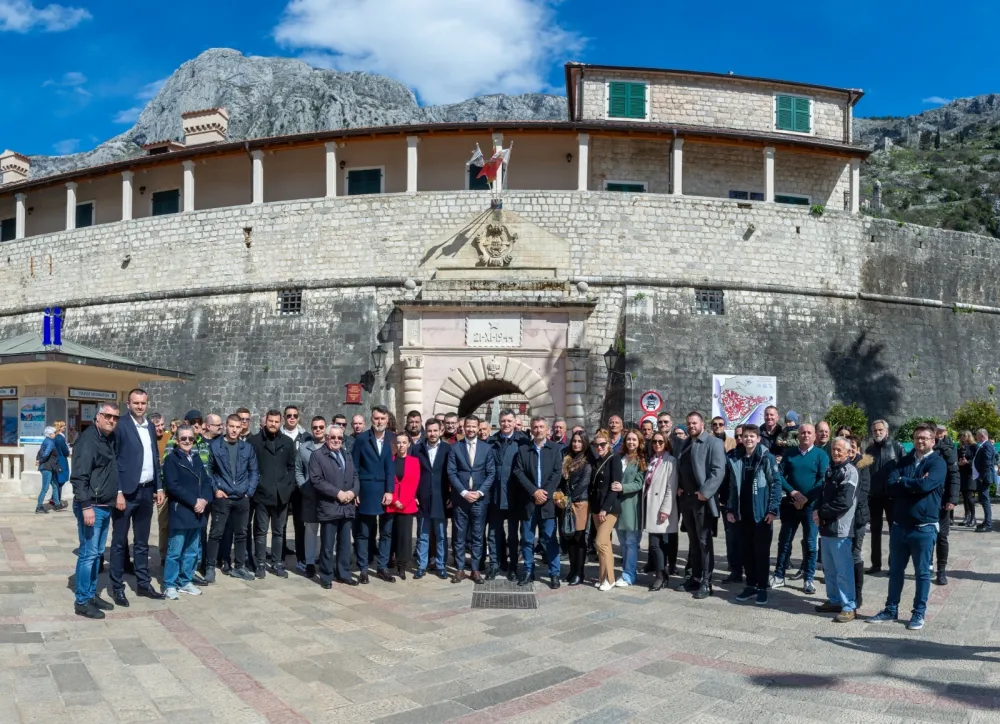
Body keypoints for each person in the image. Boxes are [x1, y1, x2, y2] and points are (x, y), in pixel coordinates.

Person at [867, 424, 946, 630]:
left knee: (922, 573)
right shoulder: (904, 461)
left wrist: (905, 482)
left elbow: (927, 486)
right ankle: (890, 609)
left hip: (924, 528)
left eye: (925, 438)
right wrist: (913, 483)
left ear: (933, 441)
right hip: (900, 526)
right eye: (917, 437)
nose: (920, 441)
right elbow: (891, 485)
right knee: (895, 571)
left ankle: (918, 613)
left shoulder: (938, 464)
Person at [110, 389, 165, 606]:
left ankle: (143, 583)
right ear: (128, 404)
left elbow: (155, 458)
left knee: (141, 542)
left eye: (143, 403)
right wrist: (118, 492)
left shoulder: (150, 426)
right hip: (126, 493)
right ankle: (117, 587)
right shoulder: (121, 425)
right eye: (136, 403)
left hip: (146, 491)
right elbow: (113, 459)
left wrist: (159, 488)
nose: (140, 406)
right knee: (119, 543)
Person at [70, 401, 121, 619]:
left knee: (97, 554)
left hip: (104, 505)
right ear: (98, 416)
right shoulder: (88, 439)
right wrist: (86, 506)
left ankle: (91, 594)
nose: (111, 420)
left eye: (115, 417)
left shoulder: (107, 439)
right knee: (88, 555)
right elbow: (79, 476)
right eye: (108, 416)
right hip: (92, 506)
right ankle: (82, 601)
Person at [725, 425, 783, 606]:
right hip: (743, 515)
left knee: (761, 553)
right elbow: (731, 487)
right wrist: (730, 509)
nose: (748, 439)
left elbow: (776, 484)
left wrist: (773, 510)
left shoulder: (766, 458)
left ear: (758, 439)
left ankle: (762, 588)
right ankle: (750, 584)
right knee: (746, 552)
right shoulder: (735, 458)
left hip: (761, 515)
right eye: (745, 436)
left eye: (752, 436)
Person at [770, 423, 829, 595]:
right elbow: (779, 474)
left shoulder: (821, 455)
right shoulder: (790, 454)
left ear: (814, 436)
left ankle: (808, 578)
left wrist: (806, 498)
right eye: (802, 432)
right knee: (785, 541)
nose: (805, 435)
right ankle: (779, 575)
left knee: (811, 543)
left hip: (811, 507)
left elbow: (822, 479)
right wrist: (793, 492)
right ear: (798, 436)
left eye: (809, 433)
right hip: (790, 504)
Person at [675, 411, 726, 600]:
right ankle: (695, 578)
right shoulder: (685, 443)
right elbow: (681, 468)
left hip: (702, 500)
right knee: (693, 542)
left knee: (704, 542)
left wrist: (705, 493)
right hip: (686, 500)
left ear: (702, 424)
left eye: (694, 423)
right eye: (688, 423)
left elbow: (718, 471)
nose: (691, 426)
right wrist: (679, 486)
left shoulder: (714, 443)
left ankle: (707, 581)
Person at [204, 414, 258, 582]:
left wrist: (249, 492)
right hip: (223, 496)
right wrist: (215, 490)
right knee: (216, 533)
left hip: (242, 497)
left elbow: (254, 472)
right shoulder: (215, 446)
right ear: (226, 426)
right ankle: (210, 566)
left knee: (241, 533)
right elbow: (208, 470)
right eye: (231, 426)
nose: (234, 430)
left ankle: (239, 566)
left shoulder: (247, 448)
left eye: (237, 427)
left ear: (241, 428)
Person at [161, 424, 213, 600]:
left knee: (192, 550)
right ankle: (169, 584)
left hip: (198, 511)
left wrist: (205, 500)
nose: (187, 441)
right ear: (177, 440)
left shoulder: (197, 458)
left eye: (190, 438)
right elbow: (173, 486)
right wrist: (194, 501)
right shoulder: (171, 460)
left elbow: (206, 481)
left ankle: (185, 581)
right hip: (181, 510)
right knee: (175, 551)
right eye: (183, 438)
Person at [511, 417, 563, 589]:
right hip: (529, 501)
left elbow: (557, 473)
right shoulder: (523, 450)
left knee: (549, 539)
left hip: (547, 502)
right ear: (531, 430)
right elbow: (518, 472)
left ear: (547, 430)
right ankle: (528, 570)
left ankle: (554, 573)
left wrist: (544, 493)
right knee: (526, 539)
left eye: (542, 427)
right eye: (536, 427)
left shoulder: (555, 449)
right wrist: (534, 491)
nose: (539, 430)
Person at [813, 437, 860, 623]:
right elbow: (822, 494)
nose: (836, 452)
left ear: (849, 452)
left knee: (843, 570)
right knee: (829, 569)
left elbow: (844, 501)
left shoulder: (850, 472)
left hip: (841, 528)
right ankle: (834, 600)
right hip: (826, 528)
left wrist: (821, 513)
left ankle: (849, 606)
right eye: (834, 449)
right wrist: (816, 510)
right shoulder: (830, 470)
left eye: (840, 450)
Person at [308, 425, 360, 588]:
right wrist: (337, 493)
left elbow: (355, 476)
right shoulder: (317, 456)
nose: (336, 440)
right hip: (329, 505)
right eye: (333, 437)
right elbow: (316, 480)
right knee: (328, 545)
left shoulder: (347, 454)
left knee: (345, 543)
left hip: (347, 506)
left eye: (339, 438)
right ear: (326, 437)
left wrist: (353, 492)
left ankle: (343, 573)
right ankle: (326, 575)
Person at [446, 415, 496, 584]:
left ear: (478, 428)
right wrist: (463, 492)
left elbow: (491, 473)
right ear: (464, 427)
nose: (471, 429)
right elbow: (451, 473)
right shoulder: (455, 448)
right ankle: (460, 568)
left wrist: (480, 492)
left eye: (474, 427)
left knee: (477, 535)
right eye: (468, 426)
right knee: (459, 535)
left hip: (480, 500)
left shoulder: (486, 448)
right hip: (461, 499)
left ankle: (475, 569)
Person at [248, 410, 297, 579]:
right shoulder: (254, 441)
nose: (273, 424)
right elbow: (250, 467)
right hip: (262, 494)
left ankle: (277, 563)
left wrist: (288, 486)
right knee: (260, 532)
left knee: (279, 532)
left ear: (280, 422)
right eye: (271, 421)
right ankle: (260, 563)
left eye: (276, 421)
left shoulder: (288, 442)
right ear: (265, 421)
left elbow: (292, 467)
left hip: (281, 495)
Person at [351, 405, 396, 583]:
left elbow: (392, 468)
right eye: (376, 418)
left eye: (383, 419)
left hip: (386, 491)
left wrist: (390, 491)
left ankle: (382, 567)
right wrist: (356, 491)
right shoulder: (362, 439)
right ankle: (363, 568)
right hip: (366, 490)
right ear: (372, 419)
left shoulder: (393, 439)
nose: (379, 422)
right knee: (363, 532)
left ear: (387, 420)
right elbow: (354, 467)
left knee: (386, 532)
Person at [485, 409, 527, 581]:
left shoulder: (522, 442)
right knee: (494, 532)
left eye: (509, 421)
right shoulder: (491, 441)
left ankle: (513, 566)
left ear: (515, 422)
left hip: (514, 496)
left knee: (512, 535)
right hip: (495, 494)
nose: (506, 424)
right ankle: (494, 564)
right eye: (503, 421)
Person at [864, 420, 904, 574]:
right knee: (875, 531)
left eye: (880, 430)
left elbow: (904, 467)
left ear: (886, 431)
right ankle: (876, 564)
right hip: (874, 496)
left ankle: (893, 564)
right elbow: (864, 471)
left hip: (892, 496)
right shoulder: (869, 449)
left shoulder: (896, 447)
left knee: (894, 531)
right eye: (875, 430)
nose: (877, 432)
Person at [414, 419, 451, 579]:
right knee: (423, 534)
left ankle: (441, 565)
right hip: (423, 498)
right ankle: (421, 565)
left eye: (435, 430)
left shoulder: (448, 449)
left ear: (440, 431)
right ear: (425, 432)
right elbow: (413, 474)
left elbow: (451, 475)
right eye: (429, 431)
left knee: (441, 534)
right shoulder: (417, 449)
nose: (432, 434)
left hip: (441, 497)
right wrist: (414, 495)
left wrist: (450, 495)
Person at [588, 429, 622, 591]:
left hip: (608, 508)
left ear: (609, 444)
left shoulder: (613, 460)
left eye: (602, 444)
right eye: (596, 444)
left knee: (600, 542)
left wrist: (605, 509)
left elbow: (614, 487)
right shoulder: (596, 461)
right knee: (605, 543)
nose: (599, 447)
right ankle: (603, 578)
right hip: (596, 507)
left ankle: (610, 578)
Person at [644, 431, 678, 591]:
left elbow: (671, 487)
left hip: (660, 506)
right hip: (650, 505)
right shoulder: (652, 460)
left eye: (660, 442)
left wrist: (665, 509)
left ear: (666, 444)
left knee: (656, 544)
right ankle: (661, 574)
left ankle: (661, 575)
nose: (657, 444)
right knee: (655, 543)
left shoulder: (670, 461)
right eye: (654, 442)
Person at [614, 429, 646, 588]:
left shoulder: (641, 460)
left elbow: (639, 483)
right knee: (622, 542)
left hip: (632, 505)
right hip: (618, 506)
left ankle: (628, 574)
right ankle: (628, 570)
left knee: (631, 542)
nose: (631, 442)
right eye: (629, 439)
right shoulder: (619, 458)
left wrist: (623, 487)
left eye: (634, 440)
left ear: (639, 442)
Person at [295, 416, 326, 578]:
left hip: (328, 496)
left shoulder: (332, 446)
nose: (318, 430)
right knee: (310, 530)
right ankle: (309, 562)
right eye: (315, 427)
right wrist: (302, 486)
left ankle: (326, 560)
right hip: (310, 496)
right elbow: (298, 470)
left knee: (328, 530)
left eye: (321, 427)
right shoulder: (304, 448)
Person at [561, 430, 592, 586]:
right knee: (570, 538)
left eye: (580, 441)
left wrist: (569, 498)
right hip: (567, 503)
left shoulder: (586, 462)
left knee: (579, 538)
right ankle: (572, 570)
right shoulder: (568, 458)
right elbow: (563, 482)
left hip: (580, 503)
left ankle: (579, 572)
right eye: (574, 441)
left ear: (585, 443)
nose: (576, 444)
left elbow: (583, 484)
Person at [388, 434, 420, 579]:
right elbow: (387, 481)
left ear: (408, 445)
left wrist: (404, 501)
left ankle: (402, 566)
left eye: (404, 442)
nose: (401, 445)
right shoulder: (389, 461)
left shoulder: (414, 461)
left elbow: (414, 484)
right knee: (390, 534)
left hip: (406, 505)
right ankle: (390, 559)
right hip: (391, 504)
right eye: (398, 442)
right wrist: (395, 500)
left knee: (404, 536)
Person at [932, 424, 960, 585]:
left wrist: (953, 498)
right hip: (927, 500)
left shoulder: (949, 449)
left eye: (941, 432)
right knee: (926, 536)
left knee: (942, 536)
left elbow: (954, 476)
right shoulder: (923, 450)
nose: (939, 434)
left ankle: (941, 571)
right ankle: (926, 567)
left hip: (942, 500)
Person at [848, 437, 872, 610]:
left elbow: (864, 490)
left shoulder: (863, 465)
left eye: (853, 449)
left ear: (858, 450)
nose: (849, 452)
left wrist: (845, 505)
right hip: (839, 520)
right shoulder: (837, 464)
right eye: (846, 448)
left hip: (857, 518)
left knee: (855, 554)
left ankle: (857, 594)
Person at [972, 428, 995, 532]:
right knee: (983, 500)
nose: (976, 438)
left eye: (977, 436)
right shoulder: (984, 445)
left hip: (984, 478)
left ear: (982, 436)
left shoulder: (987, 446)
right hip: (982, 477)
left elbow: (987, 462)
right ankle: (986, 521)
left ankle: (988, 524)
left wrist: (982, 476)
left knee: (985, 501)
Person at [35, 427, 62, 514]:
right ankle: (39, 506)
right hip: (47, 467)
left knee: (55, 484)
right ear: (50, 434)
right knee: (45, 488)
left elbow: (40, 453)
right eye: (54, 433)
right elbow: (46, 454)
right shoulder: (50, 442)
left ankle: (57, 504)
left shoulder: (46, 441)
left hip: (49, 467)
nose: (55, 434)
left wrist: (39, 460)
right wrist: (40, 461)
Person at [956, 430, 977, 527]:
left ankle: (973, 518)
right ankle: (967, 516)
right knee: (964, 497)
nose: (963, 438)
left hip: (970, 474)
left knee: (969, 497)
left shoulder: (973, 447)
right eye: (962, 436)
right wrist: (959, 463)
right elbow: (956, 458)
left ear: (969, 436)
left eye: (965, 436)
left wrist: (967, 462)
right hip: (962, 473)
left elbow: (976, 460)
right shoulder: (960, 447)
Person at [50, 420, 71, 509]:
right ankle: (56, 500)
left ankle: (54, 499)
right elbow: (65, 451)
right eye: (63, 426)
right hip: (61, 460)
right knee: (60, 481)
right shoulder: (60, 438)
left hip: (57, 460)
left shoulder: (55, 438)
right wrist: (67, 448)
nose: (64, 427)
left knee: (58, 481)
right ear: (59, 428)